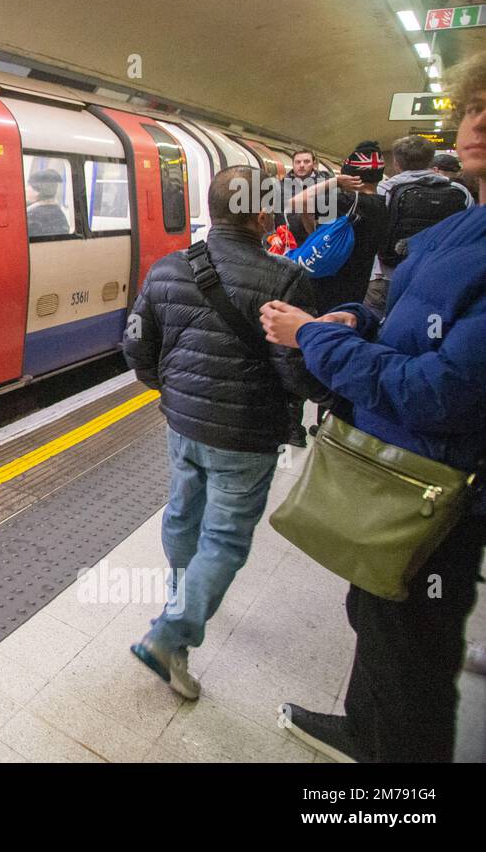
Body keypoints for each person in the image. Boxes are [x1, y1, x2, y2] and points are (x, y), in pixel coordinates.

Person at [260, 50, 486, 763]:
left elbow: (440, 392)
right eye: (473, 106)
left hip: (432, 489)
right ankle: (363, 731)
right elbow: (396, 316)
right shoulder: (460, 226)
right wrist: (354, 319)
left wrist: (311, 342)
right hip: (394, 467)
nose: (476, 121)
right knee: (375, 613)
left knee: (412, 652)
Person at [123, 166, 324, 699]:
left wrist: (169, 390)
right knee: (226, 538)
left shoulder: (167, 268)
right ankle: (170, 636)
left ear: (212, 210)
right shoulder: (287, 279)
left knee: (183, 513)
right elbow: (296, 370)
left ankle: (179, 598)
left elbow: (136, 347)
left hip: (182, 423)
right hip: (247, 434)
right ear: (263, 215)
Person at [363, 136, 472, 314]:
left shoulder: (383, 190)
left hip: (387, 274)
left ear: (397, 163)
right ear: (431, 161)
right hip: (440, 275)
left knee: (377, 326)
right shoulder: (460, 192)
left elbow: (371, 231)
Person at [284, 141, 390, 314]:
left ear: (351, 177)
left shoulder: (346, 203)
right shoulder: (382, 206)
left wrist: (334, 182)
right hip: (356, 288)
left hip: (326, 284)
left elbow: (296, 202)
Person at [26, 167, 71, 236]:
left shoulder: (33, 216)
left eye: (28, 186)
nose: (25, 189)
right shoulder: (57, 211)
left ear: (37, 191)